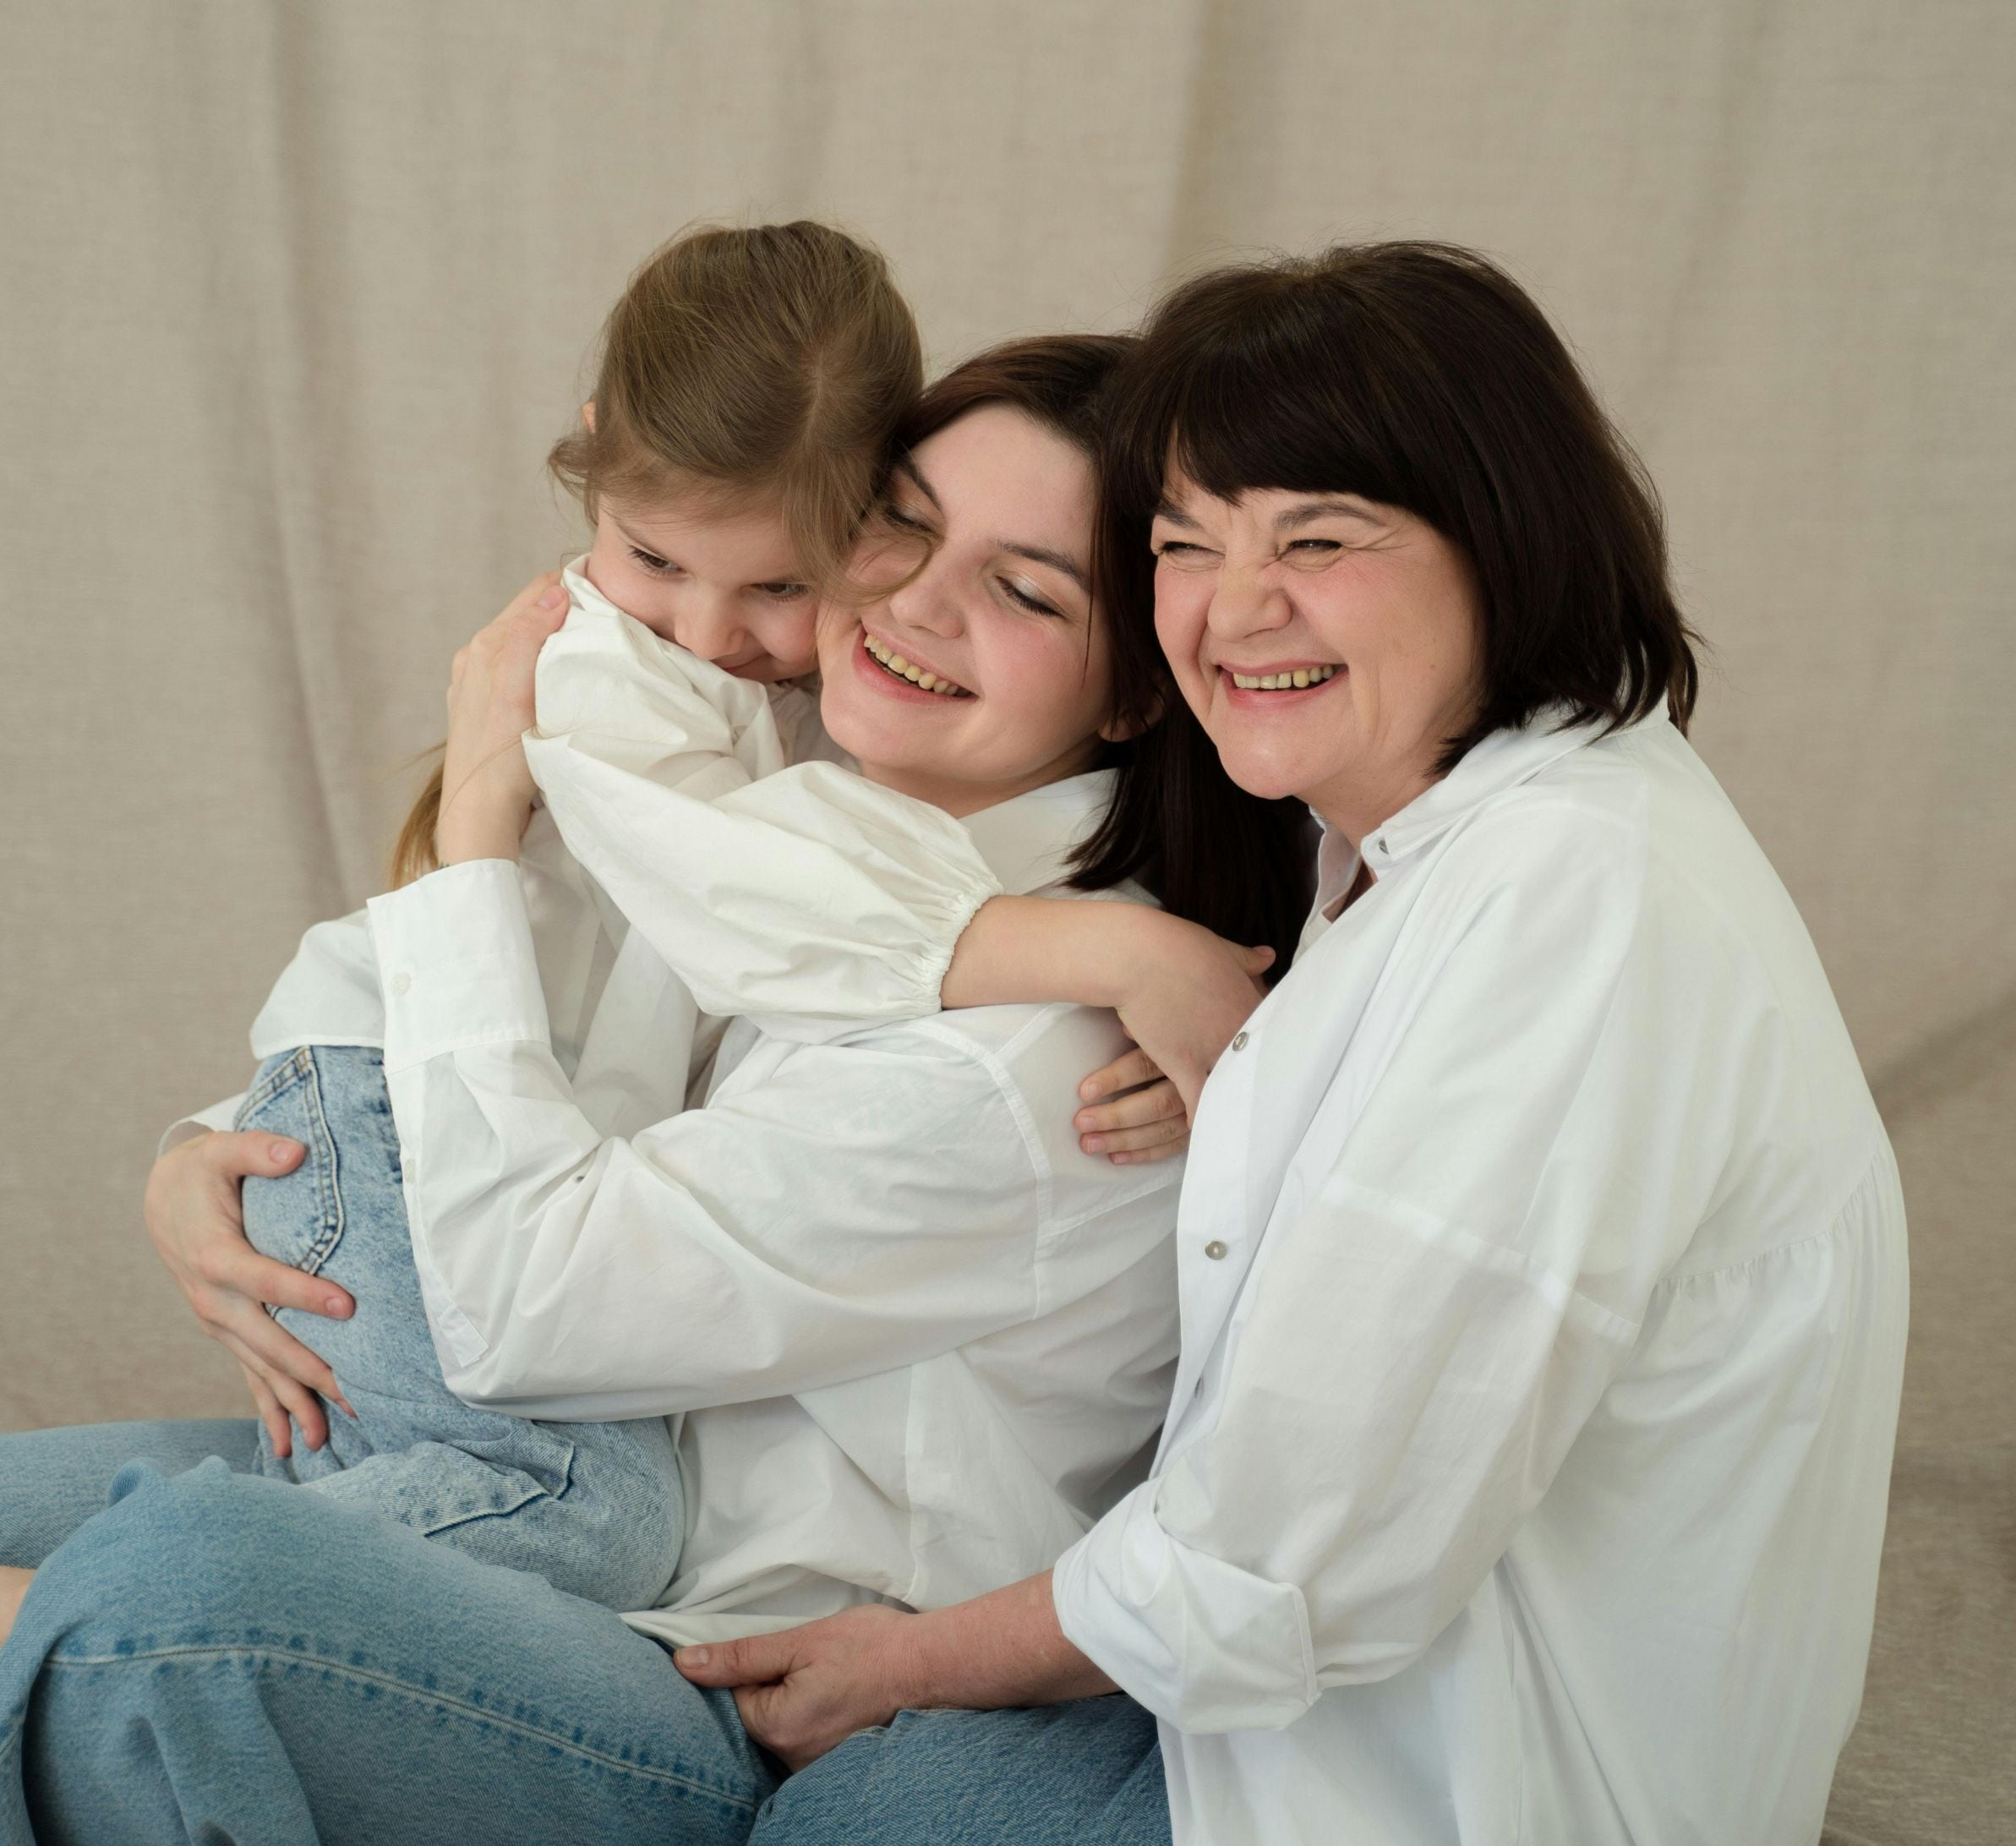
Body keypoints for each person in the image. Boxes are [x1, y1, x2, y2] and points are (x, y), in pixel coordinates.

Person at [672, 243, 1911, 1846]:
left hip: (1456, 1785)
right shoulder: (1415, 853)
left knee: (860, 1811)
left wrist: (911, 1663)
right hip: (1285, 1711)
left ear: (1504, 537)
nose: (1232, 611)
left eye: (1317, 541)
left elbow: (1288, 1552)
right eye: (1188, 546)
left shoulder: (1575, 894)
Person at [0, 331, 1308, 1843]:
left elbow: (524, 1312)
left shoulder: (1043, 1055)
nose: (917, 602)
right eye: (898, 523)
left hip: (706, 1666)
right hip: (549, 1499)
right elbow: (499, 1042)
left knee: (170, 1603)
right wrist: (210, 1158)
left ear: (1137, 693)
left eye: (1025, 590)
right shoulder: (779, 809)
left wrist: (480, 827)